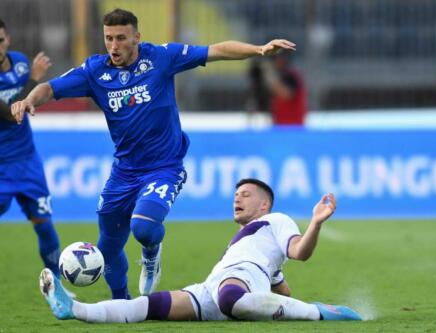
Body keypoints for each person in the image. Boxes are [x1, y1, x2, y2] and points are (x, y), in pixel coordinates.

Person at [11, 8, 297, 299]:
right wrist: (29, 100)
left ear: (137, 36)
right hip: (124, 171)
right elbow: (49, 87)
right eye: (108, 38)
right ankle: (121, 303)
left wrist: (259, 50)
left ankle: (151, 253)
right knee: (108, 249)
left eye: (121, 38)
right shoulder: (95, 72)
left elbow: (216, 50)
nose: (113, 45)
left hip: (164, 167)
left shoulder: (161, 57)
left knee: (144, 227)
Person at [40, 178, 363, 322]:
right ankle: (75, 309)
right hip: (212, 287)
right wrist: (285, 297)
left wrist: (316, 223)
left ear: (264, 204)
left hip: (239, 281)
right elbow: (281, 288)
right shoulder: (247, 243)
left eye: (246, 194)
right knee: (145, 307)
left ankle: (319, 311)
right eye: (236, 193)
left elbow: (299, 252)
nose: (238, 198)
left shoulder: (277, 220)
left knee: (231, 297)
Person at [0, 19, 62, 277]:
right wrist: (35, 79)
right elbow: (8, 113)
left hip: (27, 162)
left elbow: (27, 103)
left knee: (44, 225)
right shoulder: (30, 72)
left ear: (8, 40)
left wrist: (32, 86)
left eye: (0, 40)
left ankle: (58, 287)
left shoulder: (21, 62)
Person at [249, 53, 308, 126]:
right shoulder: (280, 75)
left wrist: (270, 76)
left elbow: (287, 94)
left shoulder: (291, 76)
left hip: (293, 125)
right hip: (279, 124)